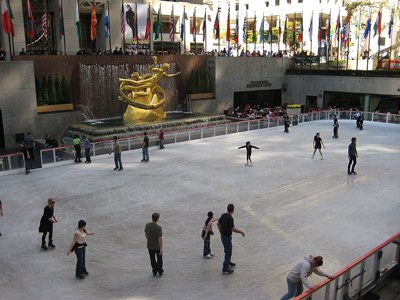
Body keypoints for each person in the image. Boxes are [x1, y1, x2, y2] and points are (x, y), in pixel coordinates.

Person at [217, 204, 245, 274]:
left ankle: (228, 261)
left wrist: (221, 232)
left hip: (223, 236)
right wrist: (241, 232)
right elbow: (233, 229)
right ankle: (225, 268)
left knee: (228, 250)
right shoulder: (230, 218)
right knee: (228, 252)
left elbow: (218, 224)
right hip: (226, 237)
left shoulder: (223, 215)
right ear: (233, 210)